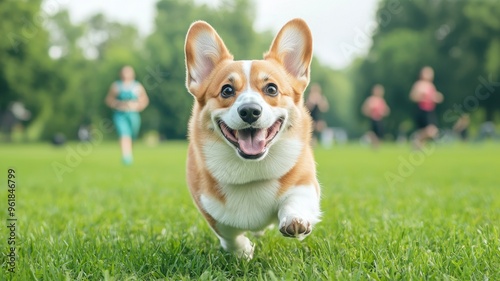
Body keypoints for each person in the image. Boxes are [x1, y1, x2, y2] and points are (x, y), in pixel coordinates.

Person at [105, 66, 149, 165]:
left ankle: (129, 153)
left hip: (133, 115)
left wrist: (137, 106)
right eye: (124, 72)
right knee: (124, 134)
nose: (126, 74)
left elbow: (145, 100)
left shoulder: (137, 86)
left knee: (132, 135)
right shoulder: (116, 86)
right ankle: (126, 157)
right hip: (120, 115)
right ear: (121, 74)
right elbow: (109, 100)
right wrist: (117, 104)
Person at [409, 66, 443, 150]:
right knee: (431, 130)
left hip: (430, 110)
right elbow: (412, 97)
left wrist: (437, 97)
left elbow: (434, 96)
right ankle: (417, 139)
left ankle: (417, 143)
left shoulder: (431, 85)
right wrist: (421, 96)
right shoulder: (419, 84)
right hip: (422, 110)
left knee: (433, 131)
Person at [362, 84, 390, 149]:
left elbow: (386, 110)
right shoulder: (370, 100)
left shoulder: (381, 100)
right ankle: (374, 146)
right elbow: (364, 109)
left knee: (380, 134)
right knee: (373, 134)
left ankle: (376, 147)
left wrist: (382, 112)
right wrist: (369, 112)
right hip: (373, 119)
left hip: (380, 119)